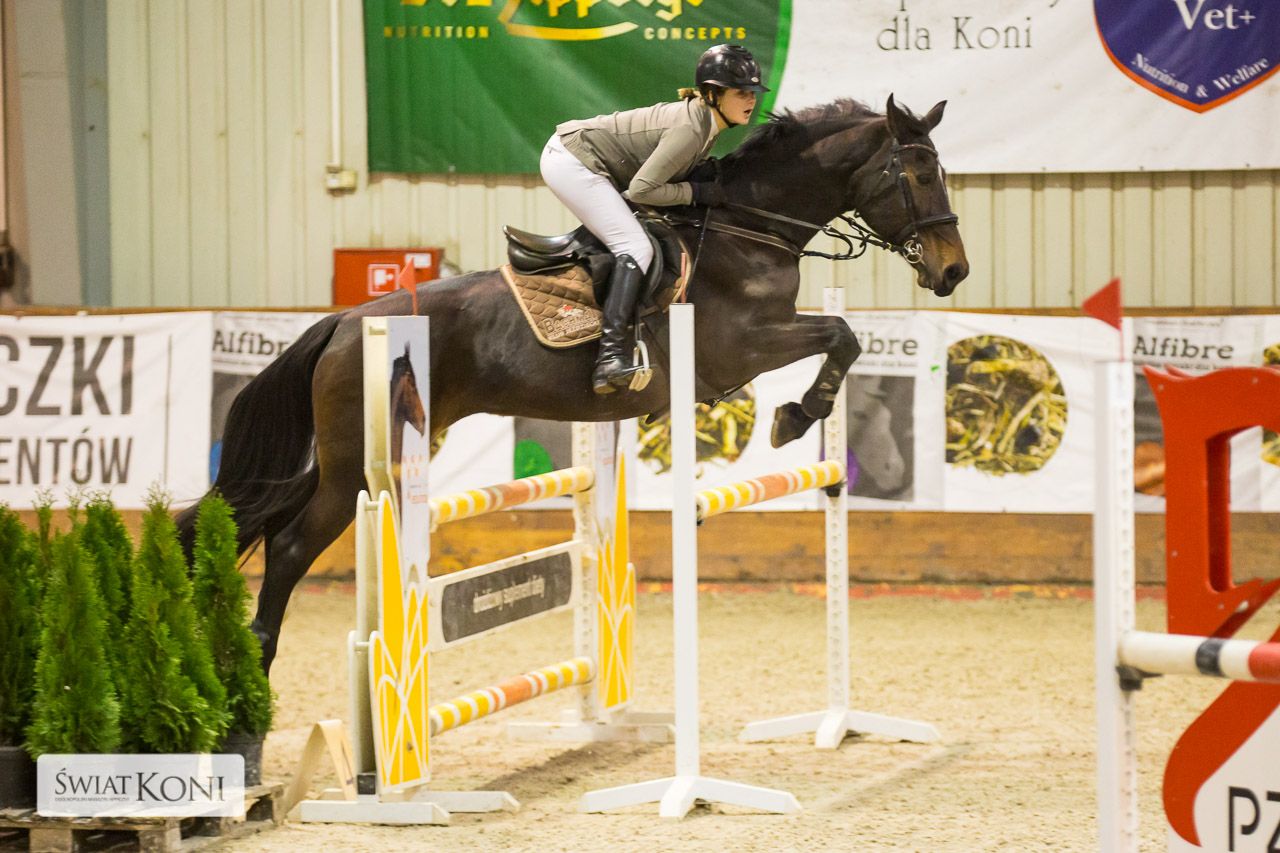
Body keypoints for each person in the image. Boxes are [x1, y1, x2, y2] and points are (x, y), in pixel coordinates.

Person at [540, 44, 768, 394]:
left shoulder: (705, 123)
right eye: (741, 92)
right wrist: (695, 193)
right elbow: (642, 190)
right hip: (572, 161)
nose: (751, 99)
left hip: (586, 160)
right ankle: (610, 357)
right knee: (636, 247)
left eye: (753, 92)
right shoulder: (691, 129)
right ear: (712, 94)